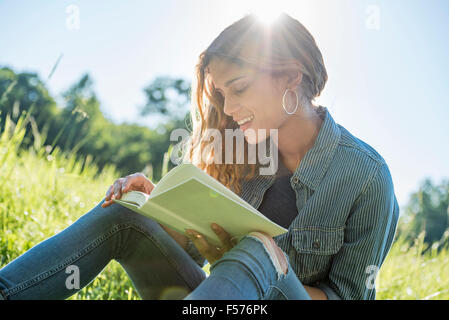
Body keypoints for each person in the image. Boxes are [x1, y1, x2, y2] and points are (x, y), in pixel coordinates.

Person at [0, 13, 399, 300]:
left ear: (292, 77)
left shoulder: (366, 176)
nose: (226, 110)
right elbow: (191, 249)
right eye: (221, 95)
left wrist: (259, 261)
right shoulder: (240, 151)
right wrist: (159, 209)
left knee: (260, 249)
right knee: (126, 214)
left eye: (238, 88)